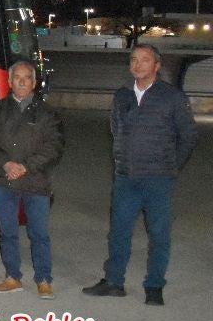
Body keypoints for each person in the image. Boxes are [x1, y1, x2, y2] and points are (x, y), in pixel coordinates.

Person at [84, 44, 197, 306]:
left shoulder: (173, 97)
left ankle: (155, 286)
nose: (137, 65)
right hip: (126, 176)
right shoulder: (122, 95)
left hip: (159, 178)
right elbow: (115, 130)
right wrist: (121, 157)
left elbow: (189, 136)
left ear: (157, 66)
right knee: (119, 232)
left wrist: (172, 166)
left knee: (158, 234)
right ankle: (114, 281)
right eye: (134, 60)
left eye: (144, 60)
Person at [0, 61, 64, 299]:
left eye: (26, 77)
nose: (21, 81)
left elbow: (54, 147)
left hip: (36, 182)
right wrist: (6, 163)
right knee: (7, 232)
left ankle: (44, 279)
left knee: (38, 233)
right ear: (9, 82)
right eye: (16, 77)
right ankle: (12, 277)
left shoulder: (48, 113)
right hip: (4, 179)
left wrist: (26, 166)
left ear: (34, 82)